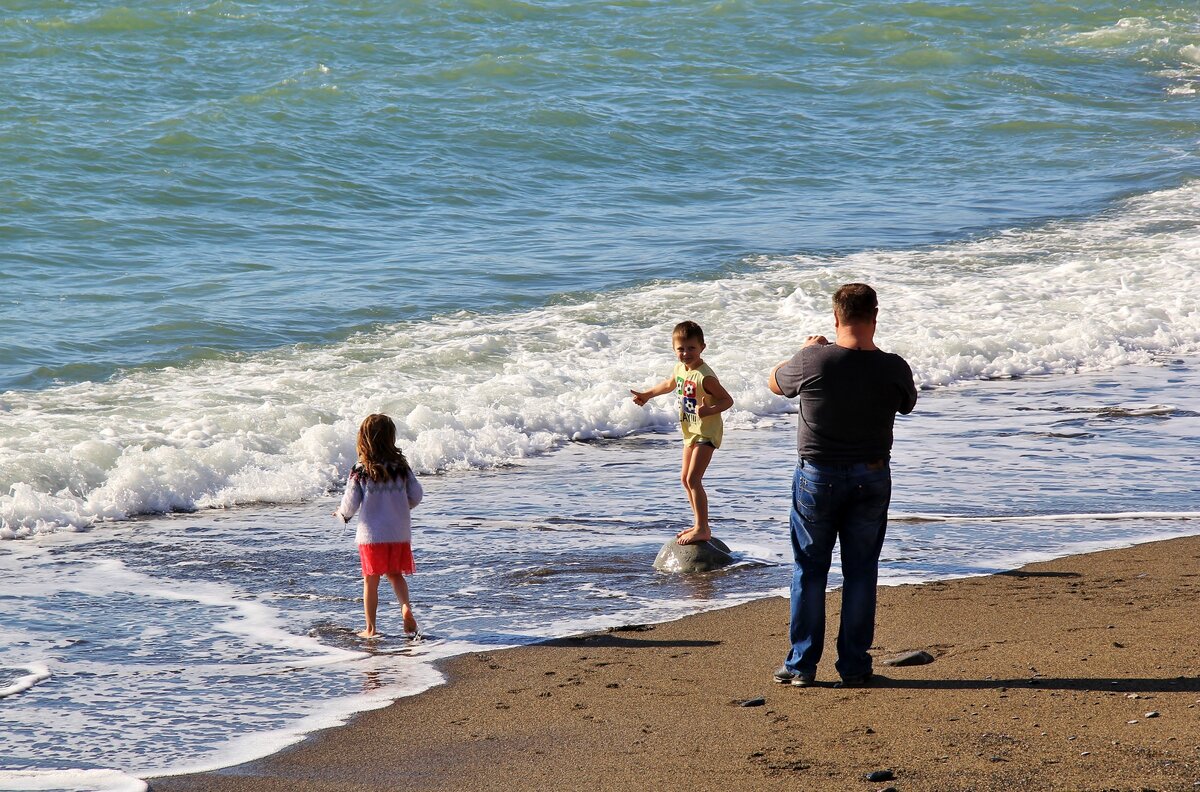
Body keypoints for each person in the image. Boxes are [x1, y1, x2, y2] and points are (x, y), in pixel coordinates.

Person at [768, 283, 917, 688]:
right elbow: (907, 403)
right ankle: (853, 666)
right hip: (871, 474)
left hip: (818, 476)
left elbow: (774, 383)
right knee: (861, 571)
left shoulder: (815, 360)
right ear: (875, 315)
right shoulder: (893, 366)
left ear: (836, 317)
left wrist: (806, 349)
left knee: (811, 570)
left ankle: (801, 666)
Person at [631, 320, 734, 545]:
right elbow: (669, 384)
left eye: (691, 348)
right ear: (674, 349)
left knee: (693, 479)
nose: (686, 353)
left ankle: (702, 528)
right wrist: (647, 395)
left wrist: (709, 410)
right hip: (690, 430)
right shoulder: (680, 369)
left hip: (706, 431)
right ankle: (699, 522)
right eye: (681, 349)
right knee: (685, 480)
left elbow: (728, 400)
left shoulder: (705, 376)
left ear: (702, 348)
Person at [334, 413, 424, 638]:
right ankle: (405, 607)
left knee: (370, 580)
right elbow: (417, 494)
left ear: (363, 439)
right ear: (390, 438)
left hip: (372, 535)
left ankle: (371, 629)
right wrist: (401, 508)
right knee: (395, 575)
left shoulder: (361, 469)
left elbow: (351, 503)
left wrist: (341, 515)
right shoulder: (401, 466)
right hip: (399, 532)